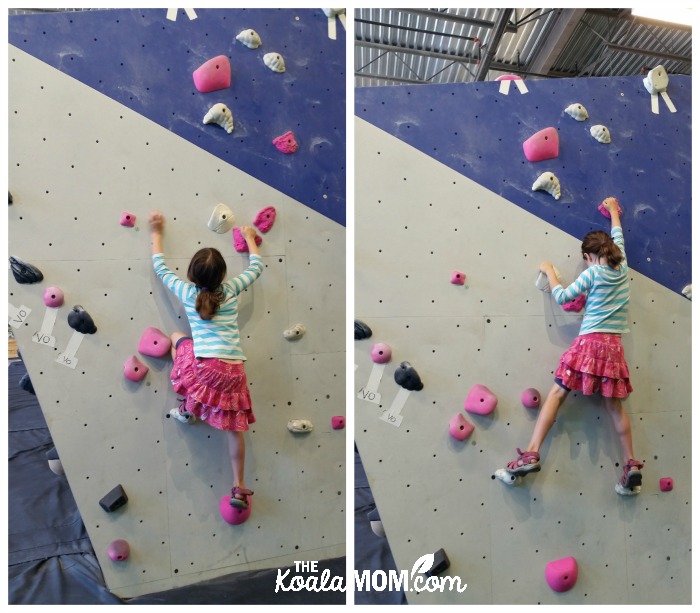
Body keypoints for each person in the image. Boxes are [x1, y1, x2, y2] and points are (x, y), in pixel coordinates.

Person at [506, 197, 643, 495]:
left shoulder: (592, 272)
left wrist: (550, 272)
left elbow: (564, 298)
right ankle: (631, 463)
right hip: (613, 348)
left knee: (557, 393)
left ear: (587, 255)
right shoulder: (623, 269)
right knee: (614, 406)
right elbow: (618, 234)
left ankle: (531, 452)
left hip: (589, 344)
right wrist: (614, 211)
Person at [148, 210, 263, 509]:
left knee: (177, 339)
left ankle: (187, 409)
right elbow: (257, 268)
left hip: (206, 367)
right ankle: (239, 486)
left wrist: (156, 231)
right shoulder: (232, 289)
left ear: (191, 276)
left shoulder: (186, 292)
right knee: (234, 429)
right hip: (235, 371)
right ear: (223, 276)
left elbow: (160, 269)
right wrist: (251, 239)